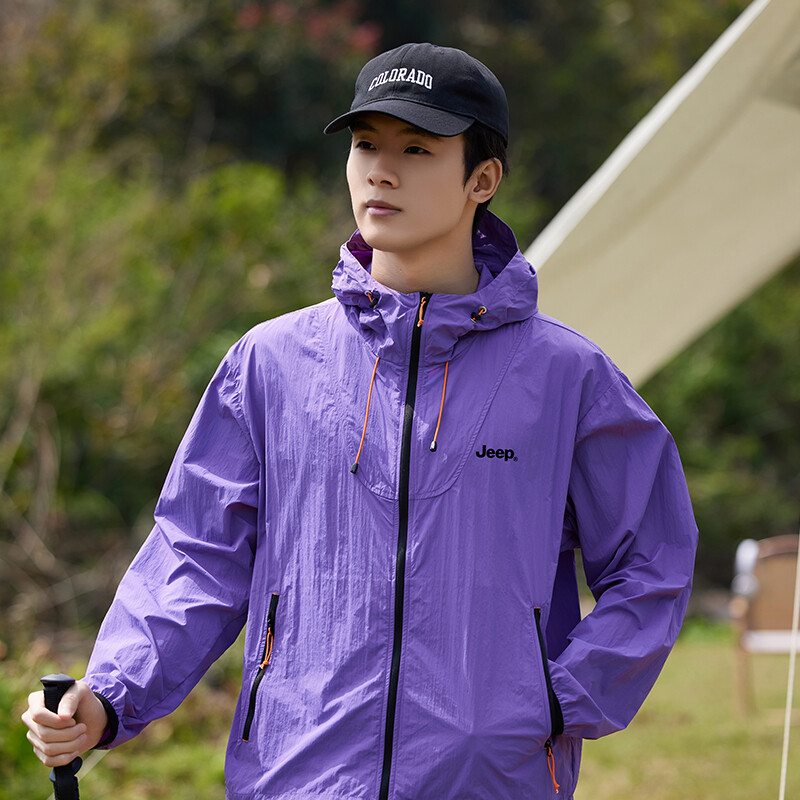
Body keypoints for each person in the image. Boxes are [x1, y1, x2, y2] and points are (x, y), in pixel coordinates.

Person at [23, 43, 698, 799]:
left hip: (490, 781)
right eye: (367, 145)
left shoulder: (569, 378)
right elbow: (198, 555)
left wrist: (556, 701)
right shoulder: (269, 364)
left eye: (417, 149)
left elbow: (653, 561)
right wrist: (112, 696)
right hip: (296, 776)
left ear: (482, 179)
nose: (381, 170)